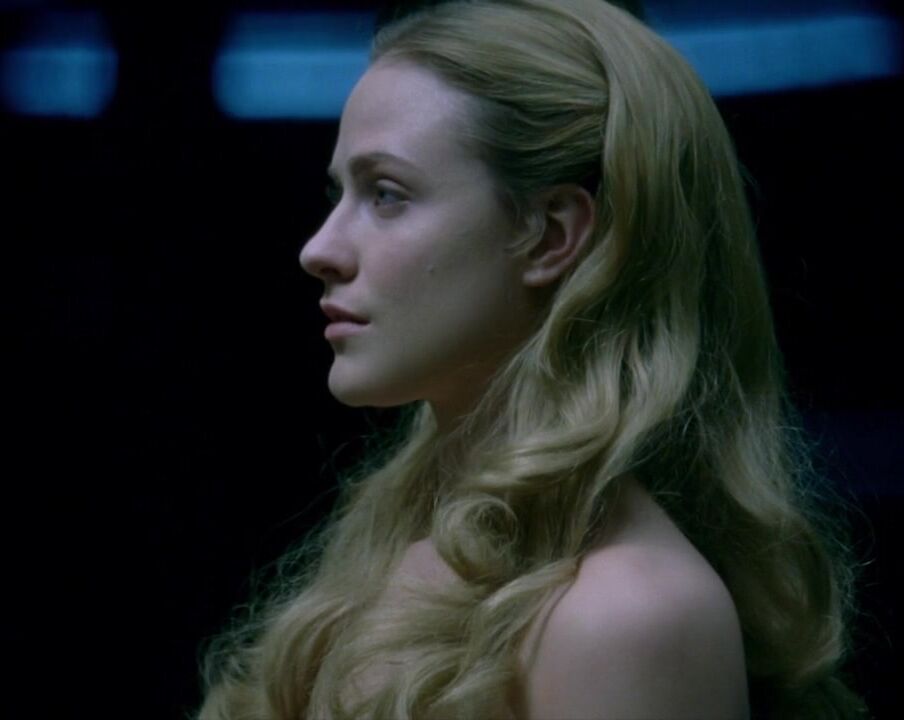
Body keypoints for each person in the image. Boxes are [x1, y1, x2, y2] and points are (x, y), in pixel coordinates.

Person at [197, 1, 868, 717]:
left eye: (386, 194)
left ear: (550, 235)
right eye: (340, 194)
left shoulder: (626, 616)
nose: (319, 249)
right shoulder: (402, 542)